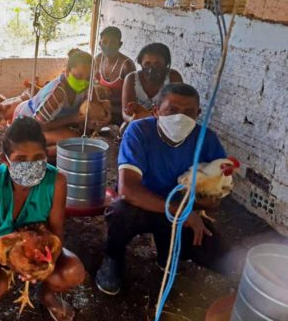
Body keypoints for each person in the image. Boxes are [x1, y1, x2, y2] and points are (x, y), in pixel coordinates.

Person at [95, 83, 229, 296]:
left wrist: (206, 201)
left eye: (189, 112)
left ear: (198, 114)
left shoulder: (206, 139)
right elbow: (128, 189)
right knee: (119, 212)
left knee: (219, 254)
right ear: (156, 111)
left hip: (181, 206)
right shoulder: (139, 131)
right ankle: (113, 259)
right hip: (143, 204)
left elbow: (216, 195)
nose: (180, 117)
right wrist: (183, 214)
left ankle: (168, 251)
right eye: (172, 110)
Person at [0, 117, 85, 320]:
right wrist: (12, 260)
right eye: (21, 159)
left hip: (38, 246)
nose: (31, 164)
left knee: (73, 271)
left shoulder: (56, 181)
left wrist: (44, 264)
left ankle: (47, 294)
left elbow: (56, 231)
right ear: (5, 160)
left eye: (38, 157)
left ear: (46, 156)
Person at [13, 49, 92, 157]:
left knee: (79, 141)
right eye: (78, 77)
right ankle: (36, 152)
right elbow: (37, 125)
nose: (83, 81)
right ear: (67, 71)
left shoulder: (87, 87)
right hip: (27, 124)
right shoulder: (57, 94)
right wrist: (72, 119)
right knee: (76, 143)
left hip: (49, 123)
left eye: (88, 78)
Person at [121, 43, 183, 122]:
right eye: (147, 64)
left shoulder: (173, 78)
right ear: (141, 64)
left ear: (166, 64)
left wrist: (146, 116)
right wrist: (134, 120)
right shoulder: (131, 79)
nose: (151, 69)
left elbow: (176, 111)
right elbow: (125, 113)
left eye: (157, 64)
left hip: (165, 124)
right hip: (137, 122)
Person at [94, 26, 136, 125]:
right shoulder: (98, 59)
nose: (108, 46)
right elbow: (93, 81)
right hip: (101, 108)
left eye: (113, 42)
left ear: (120, 44)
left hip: (120, 112)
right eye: (105, 42)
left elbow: (132, 99)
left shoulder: (127, 65)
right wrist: (100, 86)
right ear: (100, 43)